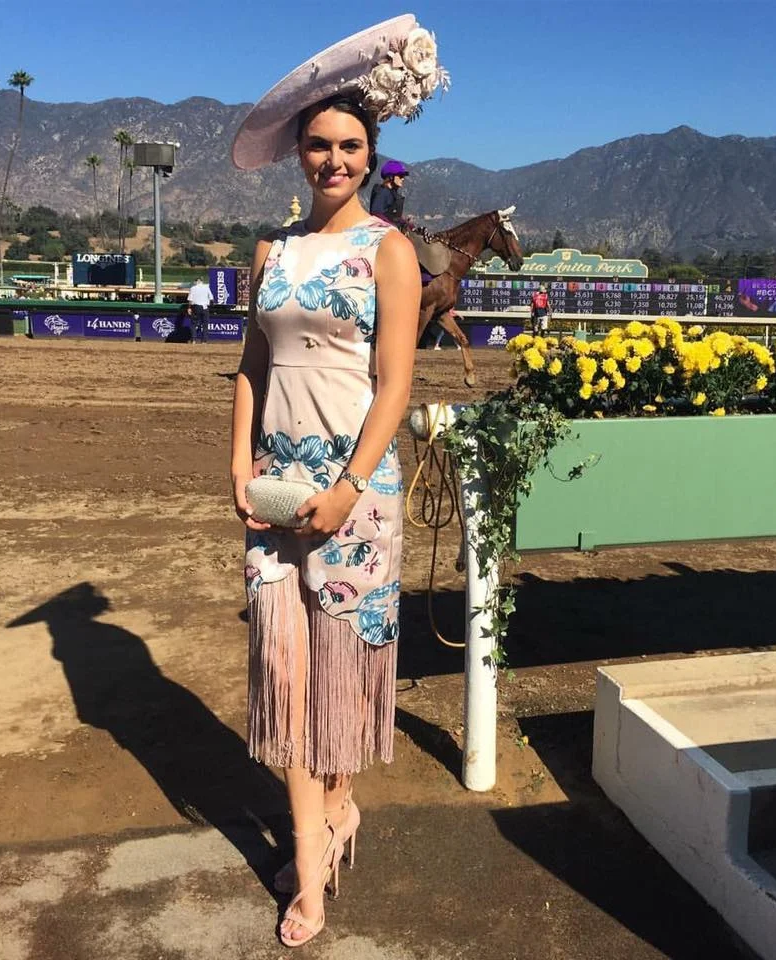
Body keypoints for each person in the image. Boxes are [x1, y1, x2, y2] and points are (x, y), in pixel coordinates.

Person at [229, 14, 447, 949]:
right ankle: (314, 849)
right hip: (275, 490)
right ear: (299, 153)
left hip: (356, 495)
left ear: (371, 155)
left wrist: (352, 485)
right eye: (319, 145)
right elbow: (251, 366)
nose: (333, 160)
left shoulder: (388, 251)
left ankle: (333, 816)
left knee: (339, 675)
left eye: (350, 146)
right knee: (286, 673)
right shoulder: (272, 253)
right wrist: (238, 461)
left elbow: (395, 384)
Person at [187, 277, 214, 342]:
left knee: (193, 324)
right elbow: (211, 298)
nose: (194, 283)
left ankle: (193, 339)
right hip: (205, 307)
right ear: (202, 281)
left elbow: (190, 300)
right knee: (205, 324)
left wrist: (189, 308)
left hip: (196, 307)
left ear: (197, 281)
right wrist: (210, 306)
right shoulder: (206, 287)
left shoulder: (193, 288)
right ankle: (204, 341)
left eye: (194, 281)